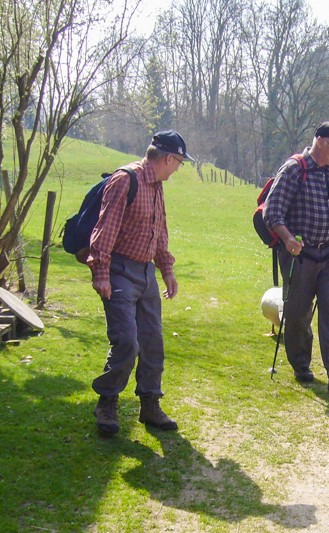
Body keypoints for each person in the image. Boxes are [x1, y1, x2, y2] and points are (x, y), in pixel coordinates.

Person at [88, 130, 193, 435]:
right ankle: (107, 401)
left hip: (145, 272)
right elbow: (104, 231)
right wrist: (102, 274)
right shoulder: (126, 180)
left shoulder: (157, 186)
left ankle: (150, 404)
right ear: (169, 158)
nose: (178, 169)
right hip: (119, 270)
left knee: (152, 341)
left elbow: (158, 231)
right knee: (127, 342)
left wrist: (167, 270)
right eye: (179, 163)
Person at [264, 121, 329, 392]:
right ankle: (301, 364)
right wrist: (288, 239)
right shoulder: (295, 169)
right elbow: (271, 212)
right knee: (298, 313)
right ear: (320, 141)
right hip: (300, 256)